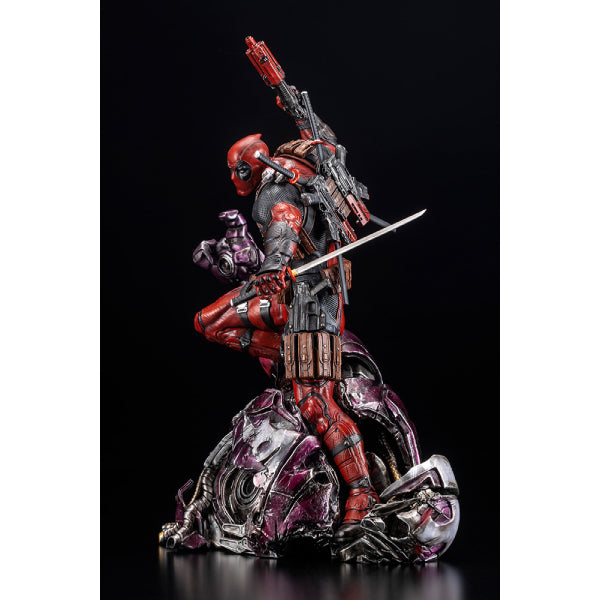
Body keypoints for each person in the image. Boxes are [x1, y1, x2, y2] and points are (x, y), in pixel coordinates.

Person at [195, 132, 378, 541]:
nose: (233, 178)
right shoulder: (301, 173)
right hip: (285, 296)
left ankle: (362, 493)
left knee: (315, 403)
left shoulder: (275, 188)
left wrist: (275, 262)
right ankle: (289, 358)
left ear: (250, 167)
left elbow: (285, 221)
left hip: (312, 303)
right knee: (210, 322)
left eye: (236, 170)